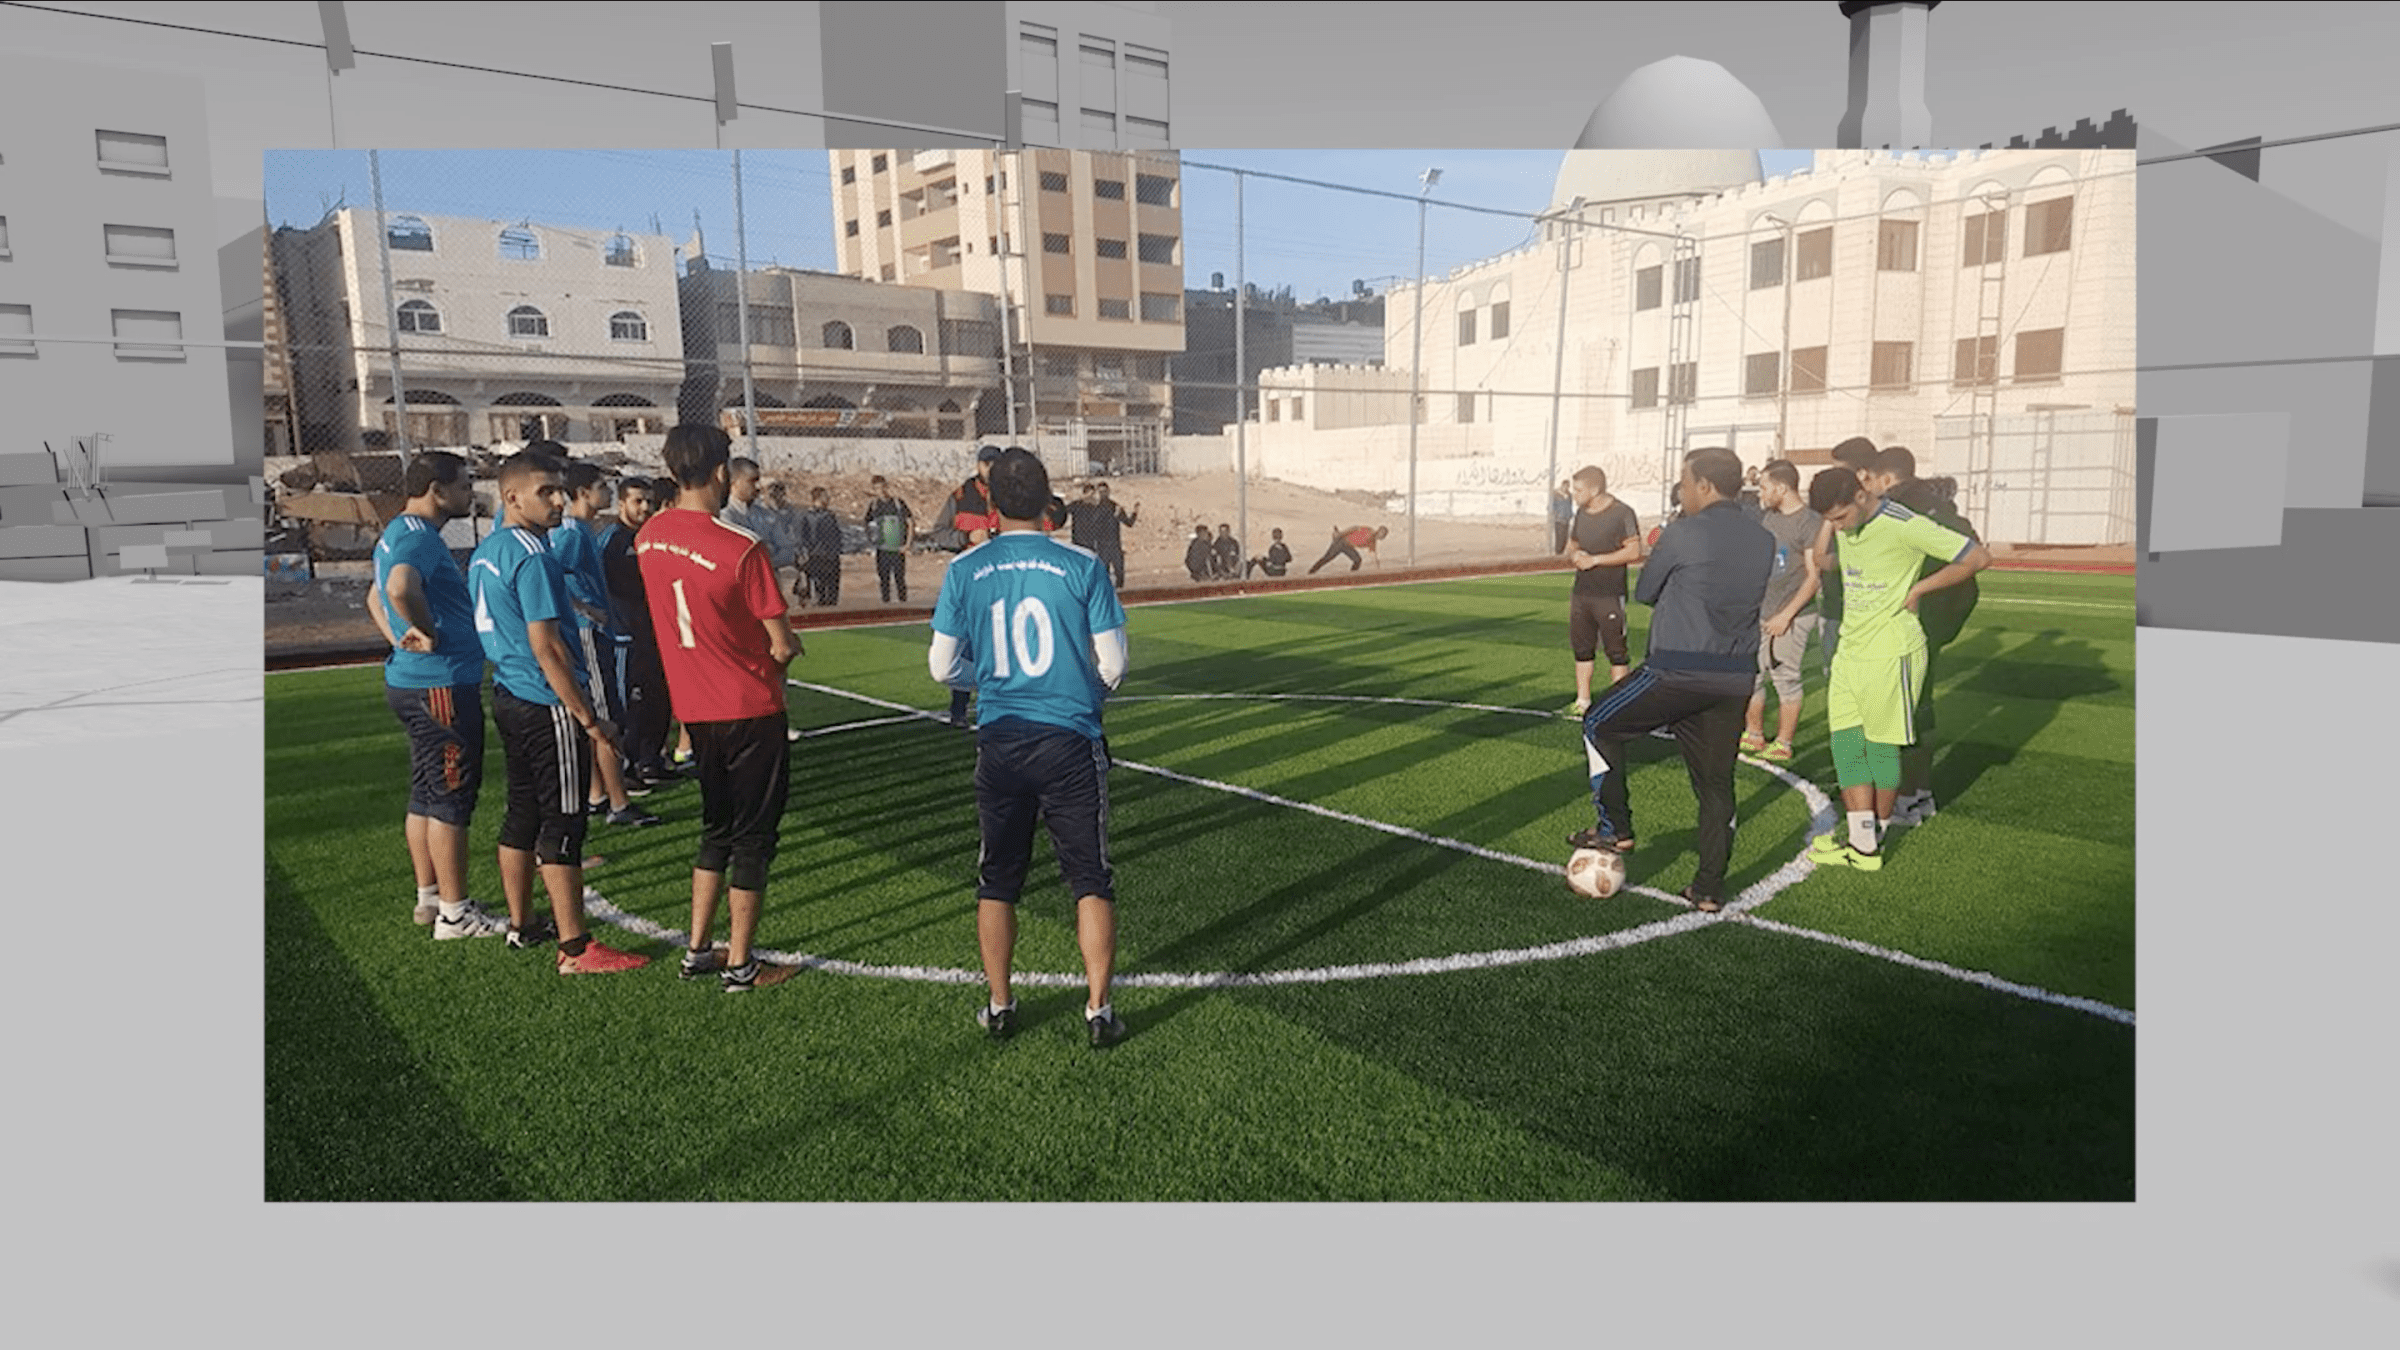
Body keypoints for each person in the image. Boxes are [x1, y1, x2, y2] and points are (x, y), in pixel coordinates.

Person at [927, 446, 1131, 1048]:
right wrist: (1081, 692)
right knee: (1090, 877)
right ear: (1049, 501)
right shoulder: (1083, 565)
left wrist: (984, 679)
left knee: (998, 877)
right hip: (1069, 739)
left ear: (989, 499)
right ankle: (1098, 1011)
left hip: (1001, 738)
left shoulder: (965, 570)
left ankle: (999, 1003)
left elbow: (942, 666)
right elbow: (1115, 663)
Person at [1567, 447, 1775, 914]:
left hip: (1678, 669)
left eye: (1684, 481)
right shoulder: (1761, 537)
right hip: (1735, 677)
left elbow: (1644, 592)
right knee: (1716, 784)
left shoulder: (1683, 532)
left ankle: (1613, 828)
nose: (1680, 490)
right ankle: (1708, 889)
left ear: (1703, 486)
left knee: (1598, 723)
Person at [635, 424, 805, 992]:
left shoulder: (650, 538)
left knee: (715, 831)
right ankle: (741, 964)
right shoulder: (741, 548)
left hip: (696, 713)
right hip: (750, 709)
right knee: (754, 838)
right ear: (719, 474)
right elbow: (780, 643)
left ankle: (696, 948)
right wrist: (777, 663)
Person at [464, 451, 648, 973]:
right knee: (564, 821)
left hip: (508, 694)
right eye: (545, 491)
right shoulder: (533, 554)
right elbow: (547, 647)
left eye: (560, 491)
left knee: (521, 813)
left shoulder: (488, 550)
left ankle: (522, 925)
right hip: (545, 702)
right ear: (512, 497)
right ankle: (576, 948)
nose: (558, 501)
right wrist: (589, 719)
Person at [1802, 464, 1991, 872]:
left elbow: (1977, 557)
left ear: (1860, 495)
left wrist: (1921, 588)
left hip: (1892, 652)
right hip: (1850, 652)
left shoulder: (1904, 524)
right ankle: (1861, 842)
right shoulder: (1847, 527)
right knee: (1847, 745)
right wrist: (1829, 524)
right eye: (1830, 520)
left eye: (1840, 517)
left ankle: (1871, 844)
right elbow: (1821, 560)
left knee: (1881, 748)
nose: (1839, 526)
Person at [369, 450, 506, 939]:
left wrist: (398, 638)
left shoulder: (396, 533)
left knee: (426, 791)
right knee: (450, 795)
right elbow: (398, 588)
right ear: (437, 488)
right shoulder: (419, 538)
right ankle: (454, 913)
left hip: (412, 680)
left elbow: (374, 596)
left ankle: (430, 898)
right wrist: (424, 632)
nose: (470, 493)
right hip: (439, 683)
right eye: (464, 484)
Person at [1862, 446, 1983, 828]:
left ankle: (1901, 799)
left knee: (1900, 712)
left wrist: (1917, 591)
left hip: (1909, 623)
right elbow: (1974, 560)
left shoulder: (1899, 508)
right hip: (1940, 618)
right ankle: (1920, 794)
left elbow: (1974, 558)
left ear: (1884, 478)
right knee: (1920, 705)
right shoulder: (1943, 506)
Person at [550, 455, 661, 829]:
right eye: (602, 487)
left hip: (599, 630)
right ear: (583, 492)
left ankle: (599, 795)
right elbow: (549, 577)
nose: (607, 493)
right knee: (607, 716)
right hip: (593, 635)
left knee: (604, 712)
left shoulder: (583, 530)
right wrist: (583, 609)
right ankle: (618, 802)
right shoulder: (570, 533)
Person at [1739, 460, 1825, 765]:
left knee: (1785, 676)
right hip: (1762, 611)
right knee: (1752, 674)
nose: (1760, 492)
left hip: (1792, 614)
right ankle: (1754, 732)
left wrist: (1786, 615)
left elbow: (1814, 577)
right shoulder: (1769, 518)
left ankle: (1784, 741)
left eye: (1763, 486)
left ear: (1781, 487)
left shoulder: (1810, 523)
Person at [601, 474, 677, 790]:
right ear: (622, 504)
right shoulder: (614, 541)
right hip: (627, 635)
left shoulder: (653, 537)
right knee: (634, 701)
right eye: (638, 501)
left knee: (660, 697)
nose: (645, 507)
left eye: (649, 501)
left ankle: (651, 761)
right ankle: (628, 768)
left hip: (656, 632)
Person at [1561, 465, 1644, 716]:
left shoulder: (1622, 513)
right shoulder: (1581, 514)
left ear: (1595, 489)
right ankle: (1583, 700)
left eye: (1578, 489)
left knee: (1616, 652)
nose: (1574, 494)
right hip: (1582, 593)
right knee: (1582, 648)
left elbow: (1634, 551)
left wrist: (1595, 560)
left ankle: (1620, 705)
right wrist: (1575, 555)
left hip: (1609, 593)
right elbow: (1571, 545)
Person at [943, 446, 1006, 727]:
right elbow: (938, 532)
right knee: (968, 645)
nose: (991, 468)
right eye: (987, 463)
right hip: (972, 582)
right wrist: (966, 535)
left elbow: (1053, 516)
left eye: (996, 463)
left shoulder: (1011, 495)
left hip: (1006, 580)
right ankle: (959, 709)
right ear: (979, 465)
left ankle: (1000, 705)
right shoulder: (960, 495)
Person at [1813, 436, 1880, 669]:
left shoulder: (1878, 517)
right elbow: (1821, 559)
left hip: (1867, 616)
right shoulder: (1841, 516)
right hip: (1836, 606)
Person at [863, 475, 916, 604]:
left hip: (898, 549)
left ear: (887, 486)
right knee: (884, 580)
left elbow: (910, 523)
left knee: (900, 579)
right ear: (874, 490)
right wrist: (871, 540)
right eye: (877, 489)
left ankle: (903, 608)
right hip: (882, 550)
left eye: (882, 487)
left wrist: (907, 544)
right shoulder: (874, 506)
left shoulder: (898, 504)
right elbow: (866, 524)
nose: (881, 491)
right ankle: (885, 607)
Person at [759, 480, 805, 609]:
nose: (774, 497)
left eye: (778, 494)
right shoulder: (763, 511)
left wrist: (799, 549)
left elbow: (796, 531)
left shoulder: (789, 511)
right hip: (771, 551)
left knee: (796, 579)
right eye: (772, 494)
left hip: (788, 551)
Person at [798, 485, 844, 607]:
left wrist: (837, 550)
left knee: (833, 594)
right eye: (825, 496)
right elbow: (803, 538)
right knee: (820, 593)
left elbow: (836, 536)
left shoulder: (830, 516)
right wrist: (806, 555)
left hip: (832, 558)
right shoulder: (808, 517)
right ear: (818, 498)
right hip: (817, 558)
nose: (828, 498)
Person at [1090, 481, 1138, 589]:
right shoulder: (1095, 509)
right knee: (1104, 577)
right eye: (1101, 492)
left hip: (1114, 545)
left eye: (1105, 491)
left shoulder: (1114, 507)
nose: (1103, 494)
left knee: (1119, 574)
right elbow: (1093, 527)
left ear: (1108, 492)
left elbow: (1128, 523)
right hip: (1102, 547)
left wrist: (1135, 513)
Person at [1307, 523, 1387, 574]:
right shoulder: (1369, 531)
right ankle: (1311, 572)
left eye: (1383, 535)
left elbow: (1374, 556)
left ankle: (1352, 576)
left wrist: (1378, 570)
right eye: (1382, 533)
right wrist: (1340, 534)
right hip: (1341, 542)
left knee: (1357, 560)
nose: (1382, 535)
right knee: (1327, 558)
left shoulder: (1373, 542)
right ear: (1378, 530)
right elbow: (1354, 528)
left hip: (1348, 547)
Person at [1550, 481, 1576, 555]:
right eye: (1565, 486)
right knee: (1559, 539)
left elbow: (1570, 505)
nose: (1566, 488)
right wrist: (1556, 514)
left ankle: (1561, 554)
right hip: (1559, 520)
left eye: (1568, 486)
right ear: (1562, 485)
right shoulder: (1556, 495)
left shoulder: (1569, 495)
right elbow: (1552, 506)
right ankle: (1557, 555)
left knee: (1565, 538)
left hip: (1567, 519)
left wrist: (1570, 514)